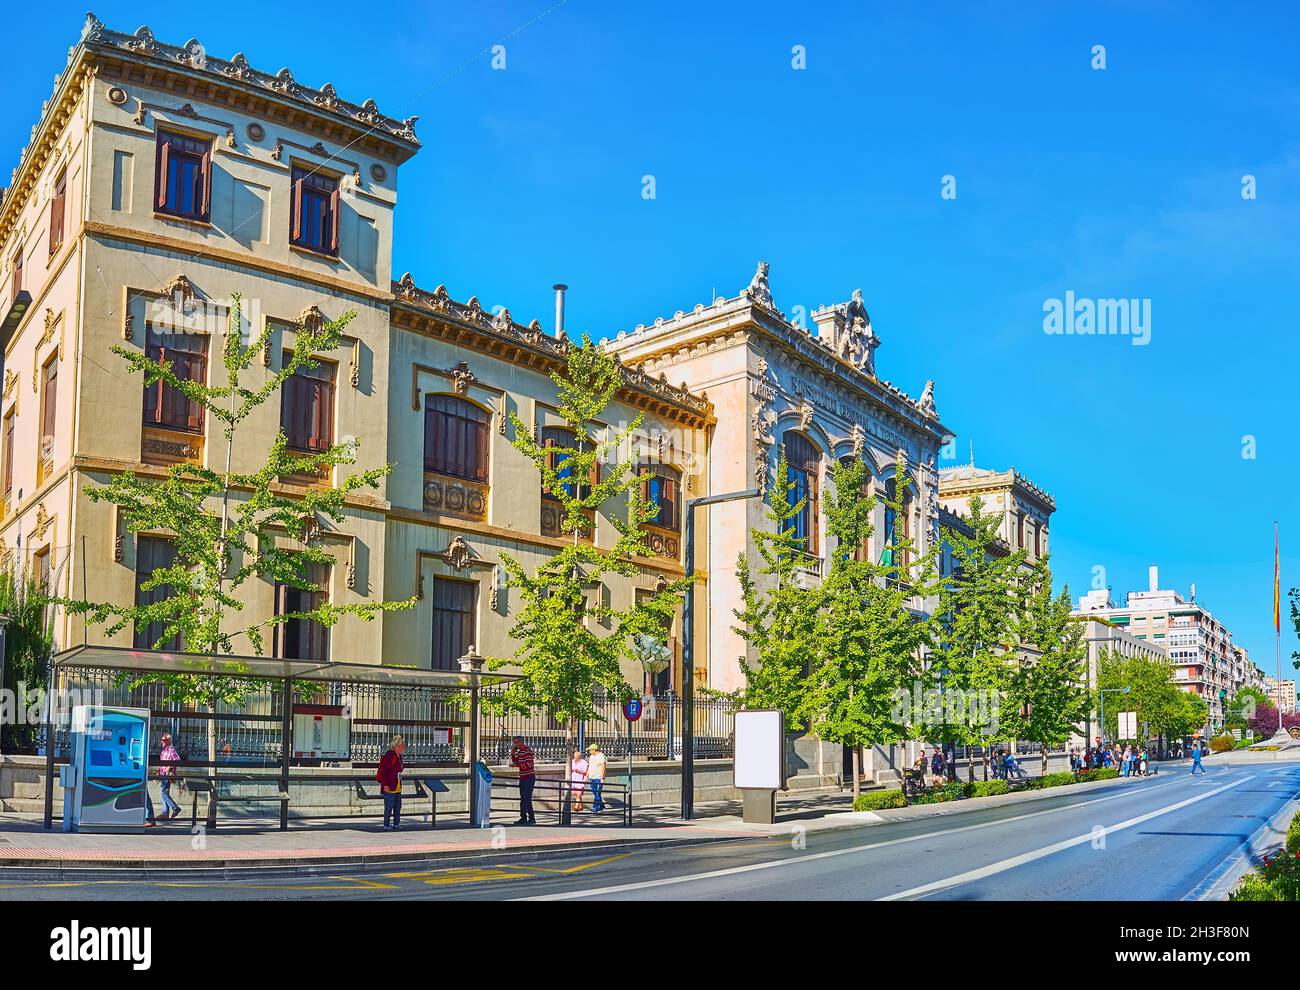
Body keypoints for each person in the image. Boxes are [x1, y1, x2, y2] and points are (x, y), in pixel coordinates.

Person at [145, 732, 183, 827]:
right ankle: (165, 813)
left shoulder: (170, 750)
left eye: (163, 740)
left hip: (167, 774)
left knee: (164, 793)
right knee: (163, 792)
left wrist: (169, 768)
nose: (161, 741)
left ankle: (175, 808)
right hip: (162, 774)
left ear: (168, 740)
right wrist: (159, 771)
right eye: (161, 740)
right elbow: (162, 764)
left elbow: (177, 760)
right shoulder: (164, 751)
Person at [376, 734, 406, 831]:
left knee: (398, 806)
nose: (403, 747)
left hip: (397, 785)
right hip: (389, 785)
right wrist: (385, 785)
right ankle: (386, 825)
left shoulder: (399, 756)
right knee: (389, 807)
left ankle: (396, 824)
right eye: (402, 746)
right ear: (396, 746)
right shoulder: (390, 755)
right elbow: (384, 771)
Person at [510, 736, 537, 825]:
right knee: (523, 798)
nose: (515, 744)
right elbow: (515, 761)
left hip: (529, 776)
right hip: (523, 777)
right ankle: (523, 817)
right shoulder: (520, 752)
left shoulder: (527, 751)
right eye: (514, 743)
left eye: (516, 743)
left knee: (527, 798)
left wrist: (517, 764)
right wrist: (513, 753)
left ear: (521, 742)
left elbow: (529, 764)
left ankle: (532, 818)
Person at [587, 743, 608, 813]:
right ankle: (601, 805)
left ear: (594, 750)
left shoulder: (601, 756)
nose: (589, 751)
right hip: (591, 777)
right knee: (594, 792)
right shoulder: (591, 756)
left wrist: (602, 777)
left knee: (597, 793)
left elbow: (603, 766)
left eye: (590, 750)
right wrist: (587, 774)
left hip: (598, 777)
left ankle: (595, 807)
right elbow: (589, 766)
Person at [569, 748, 589, 813]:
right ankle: (581, 805)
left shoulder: (584, 762)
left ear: (580, 756)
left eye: (577, 757)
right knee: (575, 793)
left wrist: (578, 770)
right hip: (574, 779)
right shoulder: (572, 761)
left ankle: (576, 806)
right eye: (575, 756)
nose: (576, 758)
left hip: (580, 779)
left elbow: (586, 771)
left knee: (578, 794)